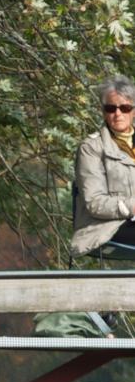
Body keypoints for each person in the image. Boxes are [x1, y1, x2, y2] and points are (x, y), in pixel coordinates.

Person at [71, 75, 135, 258]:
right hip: (104, 228)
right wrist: (132, 207)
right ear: (103, 112)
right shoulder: (91, 148)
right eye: (110, 108)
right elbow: (94, 202)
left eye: (125, 108)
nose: (118, 114)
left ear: (133, 111)